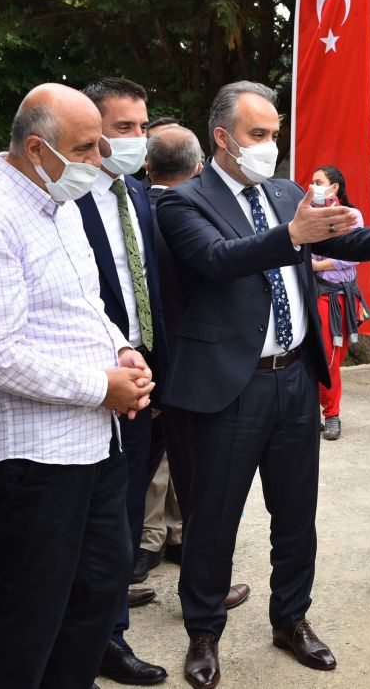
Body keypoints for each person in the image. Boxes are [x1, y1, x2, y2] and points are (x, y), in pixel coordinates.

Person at [154, 81, 370, 689]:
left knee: (296, 514)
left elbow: (342, 240)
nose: (271, 146)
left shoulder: (286, 193)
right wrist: (292, 234)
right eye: (258, 136)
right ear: (223, 139)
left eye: (274, 134)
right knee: (213, 517)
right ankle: (204, 631)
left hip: (294, 378)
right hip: (227, 388)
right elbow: (218, 259)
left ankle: (291, 619)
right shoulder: (182, 203)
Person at [0, 83, 155, 689]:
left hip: (93, 445)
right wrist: (101, 386)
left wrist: (122, 350)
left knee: (96, 593)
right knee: (27, 614)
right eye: (86, 149)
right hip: (34, 459)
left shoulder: (59, 206)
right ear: (37, 149)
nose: (98, 161)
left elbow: (85, 305)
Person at [76, 77, 168, 685]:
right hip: (86, 384)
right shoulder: (65, 196)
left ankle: (111, 631)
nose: (137, 139)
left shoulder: (137, 194)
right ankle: (92, 632)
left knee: (127, 515)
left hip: (144, 382)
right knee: (88, 522)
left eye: (142, 127)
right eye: (122, 128)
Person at [135, 124, 203, 581]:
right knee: (185, 462)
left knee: (158, 462)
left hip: (145, 360)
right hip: (194, 363)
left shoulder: (134, 211)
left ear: (147, 164)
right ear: (199, 167)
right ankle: (165, 539)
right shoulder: (202, 214)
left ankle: (155, 538)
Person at [310, 164, 367, 441]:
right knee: (317, 357)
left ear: (334, 187)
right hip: (316, 294)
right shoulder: (311, 215)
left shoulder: (351, 215)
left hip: (339, 296)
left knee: (332, 358)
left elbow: (353, 255)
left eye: (318, 181)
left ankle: (331, 415)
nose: (313, 185)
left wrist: (317, 266)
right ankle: (319, 414)